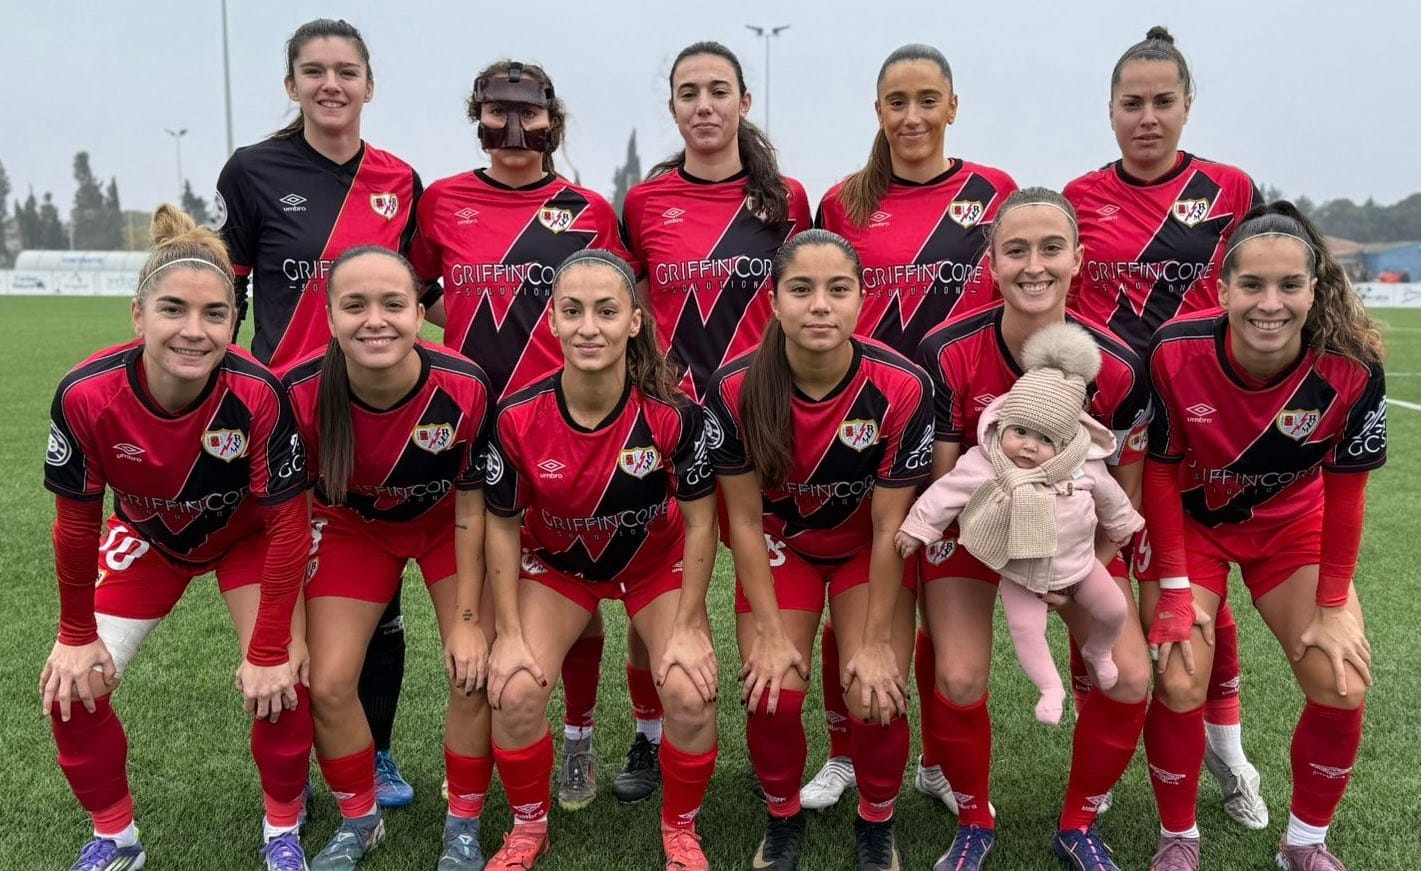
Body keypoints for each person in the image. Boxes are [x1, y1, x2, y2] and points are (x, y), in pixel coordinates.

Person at [41, 205, 311, 871]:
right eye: (172, 310)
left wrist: (272, 645)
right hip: (149, 535)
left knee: (283, 680)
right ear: (138, 315)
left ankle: (283, 831)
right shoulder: (85, 394)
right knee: (72, 686)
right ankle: (117, 839)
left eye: (214, 314)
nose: (193, 331)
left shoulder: (258, 392)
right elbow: (76, 523)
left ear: (233, 320)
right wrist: (75, 635)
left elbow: (285, 525)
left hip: (246, 537)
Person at [409, 60, 637, 810]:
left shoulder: (586, 209)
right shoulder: (441, 200)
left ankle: (576, 734)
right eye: (496, 111)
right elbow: (415, 300)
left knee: (583, 583)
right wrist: (476, 331)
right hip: (472, 427)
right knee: (489, 583)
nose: (513, 128)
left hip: (567, 428)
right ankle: (479, 753)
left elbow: (611, 308)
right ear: (475, 114)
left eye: (528, 112)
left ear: (551, 118)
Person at [216, 18, 425, 807]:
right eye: (314, 71)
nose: (330, 84)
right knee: (288, 594)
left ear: (370, 85)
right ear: (291, 85)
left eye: (346, 71)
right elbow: (227, 290)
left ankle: (376, 754)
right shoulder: (253, 170)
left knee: (376, 602)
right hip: (282, 415)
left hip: (369, 415)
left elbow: (415, 296)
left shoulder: (400, 179)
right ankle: (296, 762)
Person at [1139, 202, 1385, 871]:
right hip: (1192, 530)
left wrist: (1332, 604)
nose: (1268, 303)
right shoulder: (1173, 351)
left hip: (1289, 528)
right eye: (1251, 285)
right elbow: (1157, 475)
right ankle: (1177, 835)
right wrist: (1171, 588)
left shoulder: (1351, 365)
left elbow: (1346, 491)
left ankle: (1303, 843)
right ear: (1222, 290)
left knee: (1340, 676)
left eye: (1287, 286)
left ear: (1314, 289)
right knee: (1180, 672)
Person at [1064, 25, 1268, 831]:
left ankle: (1228, 752)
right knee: (1106, 601)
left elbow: (1256, 299)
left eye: (1161, 102)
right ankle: (1103, 755)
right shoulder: (1078, 197)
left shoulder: (1229, 188)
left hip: (1206, 430)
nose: (1146, 118)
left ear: (1187, 106)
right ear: (1109, 110)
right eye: (1131, 103)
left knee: (1199, 600)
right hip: (1109, 435)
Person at [914, 188, 1153, 871]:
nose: (1033, 264)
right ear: (990, 263)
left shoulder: (1118, 362)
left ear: (1078, 259)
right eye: (1015, 249)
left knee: (1129, 676)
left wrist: (1075, 564)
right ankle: (972, 818)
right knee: (958, 676)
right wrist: (1015, 560)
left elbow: (1121, 485)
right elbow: (945, 484)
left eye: (1051, 247)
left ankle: (1078, 822)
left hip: (1073, 541)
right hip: (977, 533)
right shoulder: (947, 348)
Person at [808, 43, 1017, 812]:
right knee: (859, 602)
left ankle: (933, 756)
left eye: (927, 99)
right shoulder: (843, 204)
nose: (912, 116)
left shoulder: (992, 192)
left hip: (968, 435)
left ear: (952, 107)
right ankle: (842, 753)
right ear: (877, 112)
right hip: (868, 432)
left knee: (944, 603)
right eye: (896, 101)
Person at [619, 39, 812, 806]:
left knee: (791, 566)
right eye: (689, 93)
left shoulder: (787, 198)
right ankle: (650, 730)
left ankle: (827, 740)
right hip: (670, 423)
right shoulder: (643, 202)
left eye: (718, 91)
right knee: (654, 577)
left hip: (765, 419)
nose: (704, 105)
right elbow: (631, 306)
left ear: (743, 103)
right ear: (672, 107)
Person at [483, 249, 719, 871]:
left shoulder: (673, 414)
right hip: (560, 568)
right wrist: (505, 632)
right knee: (511, 689)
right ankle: (528, 829)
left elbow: (702, 522)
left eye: (607, 311)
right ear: (553, 323)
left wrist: (693, 623)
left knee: (691, 694)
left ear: (634, 323)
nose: (590, 326)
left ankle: (681, 830)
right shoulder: (516, 418)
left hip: (652, 564)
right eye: (573, 311)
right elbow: (502, 530)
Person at [705, 230, 932, 871]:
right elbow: (744, 522)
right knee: (773, 689)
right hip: (785, 548)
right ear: (773, 302)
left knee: (876, 691)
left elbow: (891, 526)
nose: (820, 306)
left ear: (862, 300)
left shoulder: (901, 386)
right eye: (801, 290)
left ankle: (877, 820)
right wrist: (772, 634)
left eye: (838, 289)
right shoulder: (733, 390)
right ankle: (781, 818)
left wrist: (881, 641)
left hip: (867, 548)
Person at [282, 247, 494, 871]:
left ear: (419, 312)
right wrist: (287, 635)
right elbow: (286, 523)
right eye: (355, 305)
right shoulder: (297, 392)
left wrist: (465, 619)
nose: (375, 320)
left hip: (446, 526)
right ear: (329, 318)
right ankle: (359, 818)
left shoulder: (463, 383)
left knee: (471, 668)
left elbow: (474, 506)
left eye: (394, 304)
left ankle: (464, 823)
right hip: (353, 530)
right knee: (327, 682)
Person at [897, 322, 1143, 724]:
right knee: (1028, 632)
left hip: (1079, 565)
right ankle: (1050, 687)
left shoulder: (1084, 468)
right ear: (1002, 424)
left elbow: (1114, 502)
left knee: (1114, 611)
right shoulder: (986, 461)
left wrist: (1121, 529)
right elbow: (945, 494)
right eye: (1020, 432)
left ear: (1066, 443)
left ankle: (1097, 651)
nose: (1028, 446)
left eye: (1045, 440)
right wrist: (916, 529)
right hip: (1019, 568)